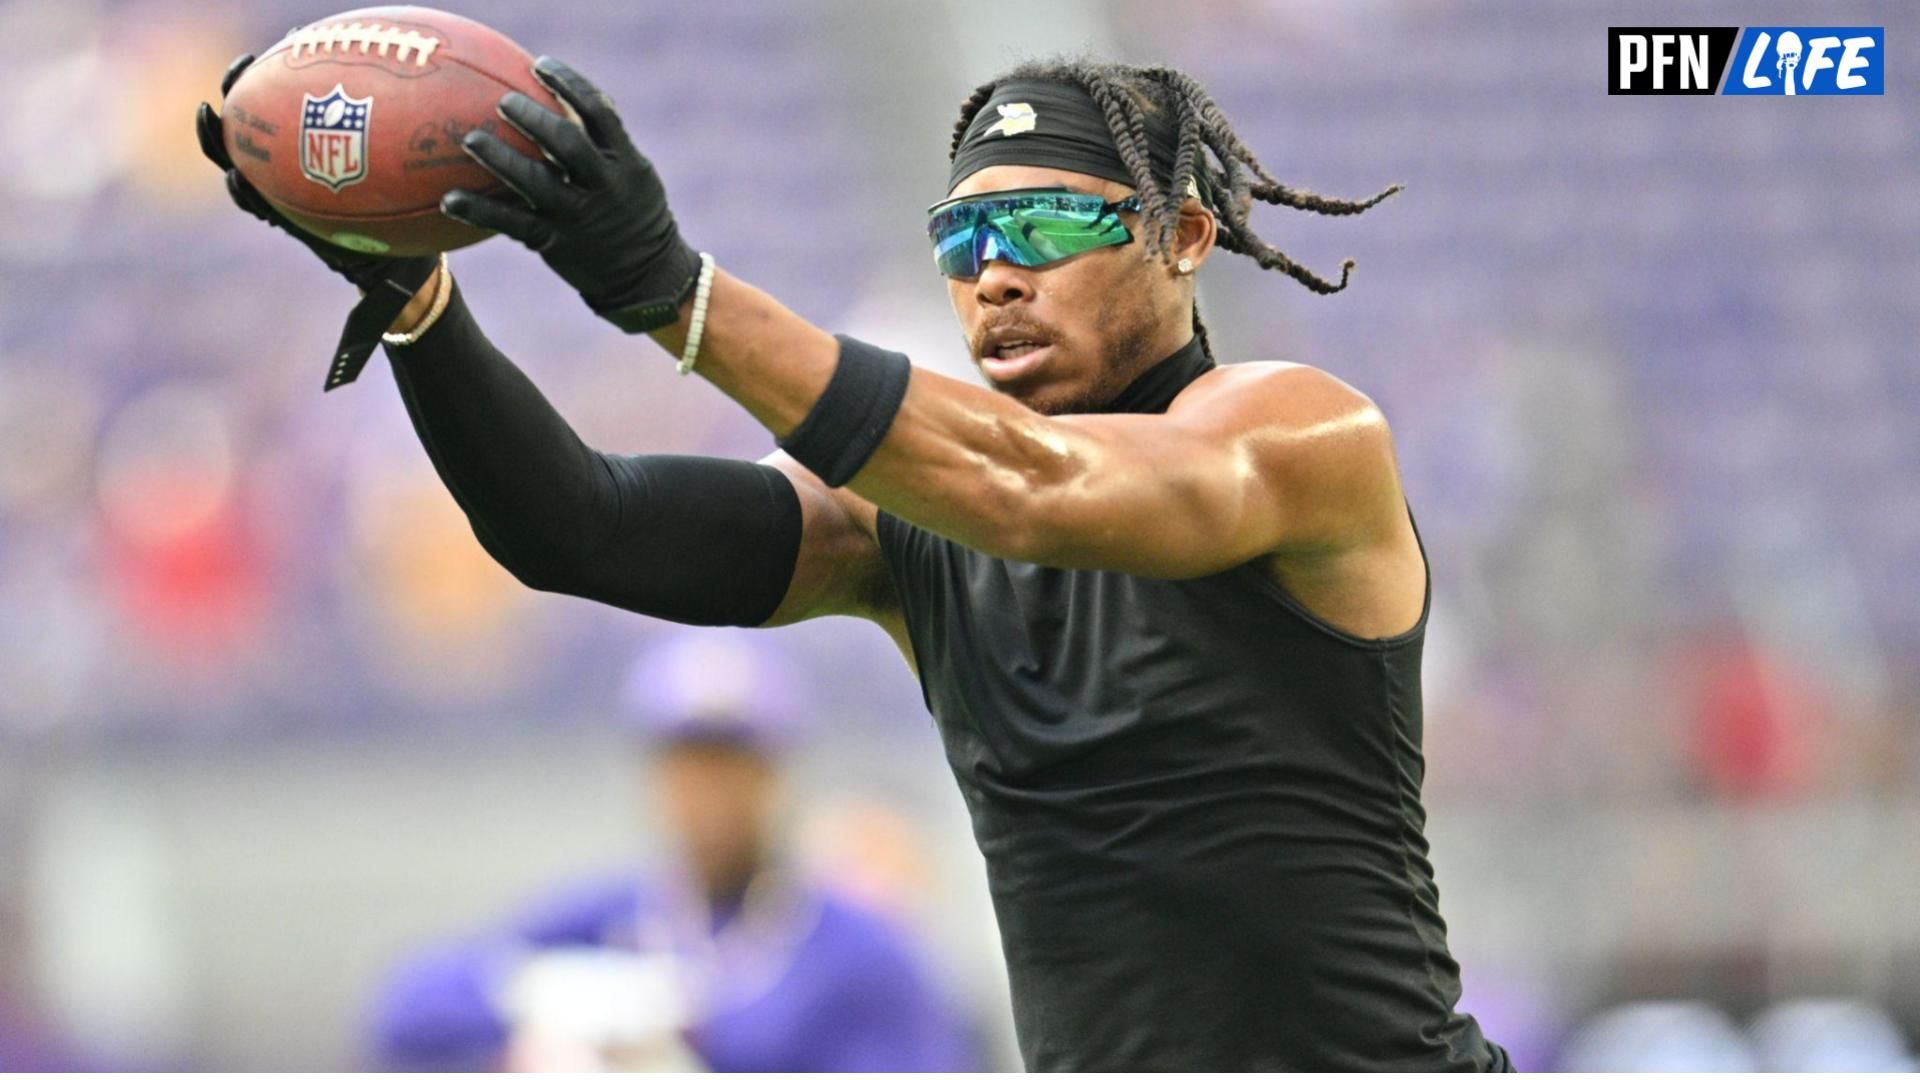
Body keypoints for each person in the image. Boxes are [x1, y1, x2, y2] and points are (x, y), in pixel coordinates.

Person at [198, 50, 1509, 1069]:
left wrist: (677, 293)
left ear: (1182, 238)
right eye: (964, 241)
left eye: (1045, 226)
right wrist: (420, 305)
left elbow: (1037, 486)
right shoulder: (913, 522)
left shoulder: (1303, 433)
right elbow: (578, 527)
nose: (995, 277)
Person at [367, 631, 976, 1072]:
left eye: (731, 770)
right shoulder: (613, 916)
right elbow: (413, 1008)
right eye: (688, 770)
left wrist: (691, 1035)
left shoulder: (855, 951)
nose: (709, 798)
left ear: (777, 778)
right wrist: (561, 1013)